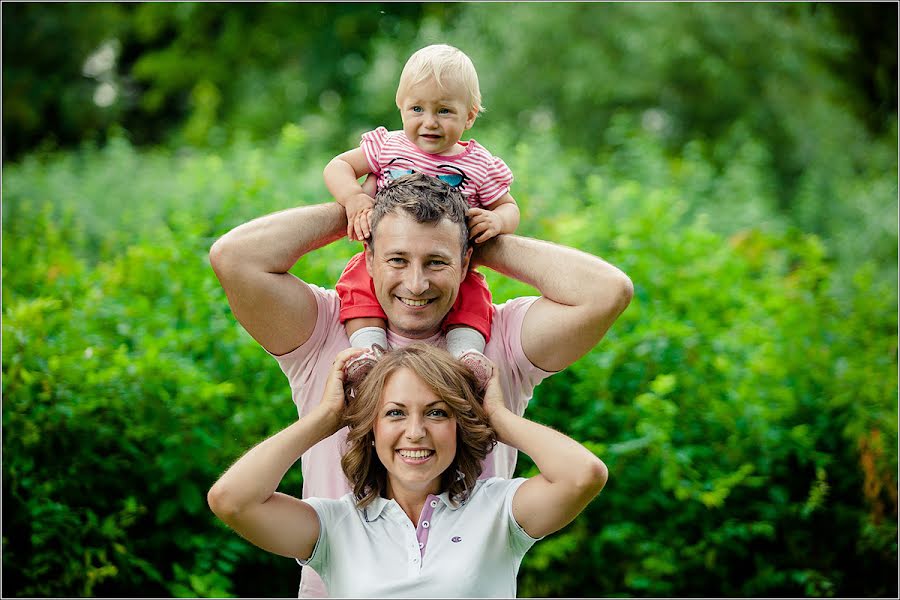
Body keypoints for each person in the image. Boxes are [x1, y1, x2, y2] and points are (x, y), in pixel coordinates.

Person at [209, 171, 632, 596]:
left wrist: (481, 234)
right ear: (369, 257)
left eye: (437, 261)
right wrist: (358, 211)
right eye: (397, 259)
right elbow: (234, 257)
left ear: (466, 263)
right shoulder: (323, 329)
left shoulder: (499, 336)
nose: (416, 284)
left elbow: (607, 290)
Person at [207, 344, 609, 597]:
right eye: (395, 413)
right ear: (372, 428)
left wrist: (497, 417)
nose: (415, 433)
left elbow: (583, 475)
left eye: (437, 412)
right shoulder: (336, 524)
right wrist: (326, 417)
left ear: (459, 425)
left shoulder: (499, 509)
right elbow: (231, 500)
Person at [323, 44, 521, 384]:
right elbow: (338, 166)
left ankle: (466, 356)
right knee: (359, 289)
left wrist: (498, 221)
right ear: (400, 108)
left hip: (450, 263)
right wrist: (353, 197)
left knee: (473, 298)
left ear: (469, 116)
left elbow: (509, 206)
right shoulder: (390, 146)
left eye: (444, 111)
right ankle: (369, 351)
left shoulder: (479, 163)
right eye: (417, 109)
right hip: (389, 256)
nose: (429, 122)